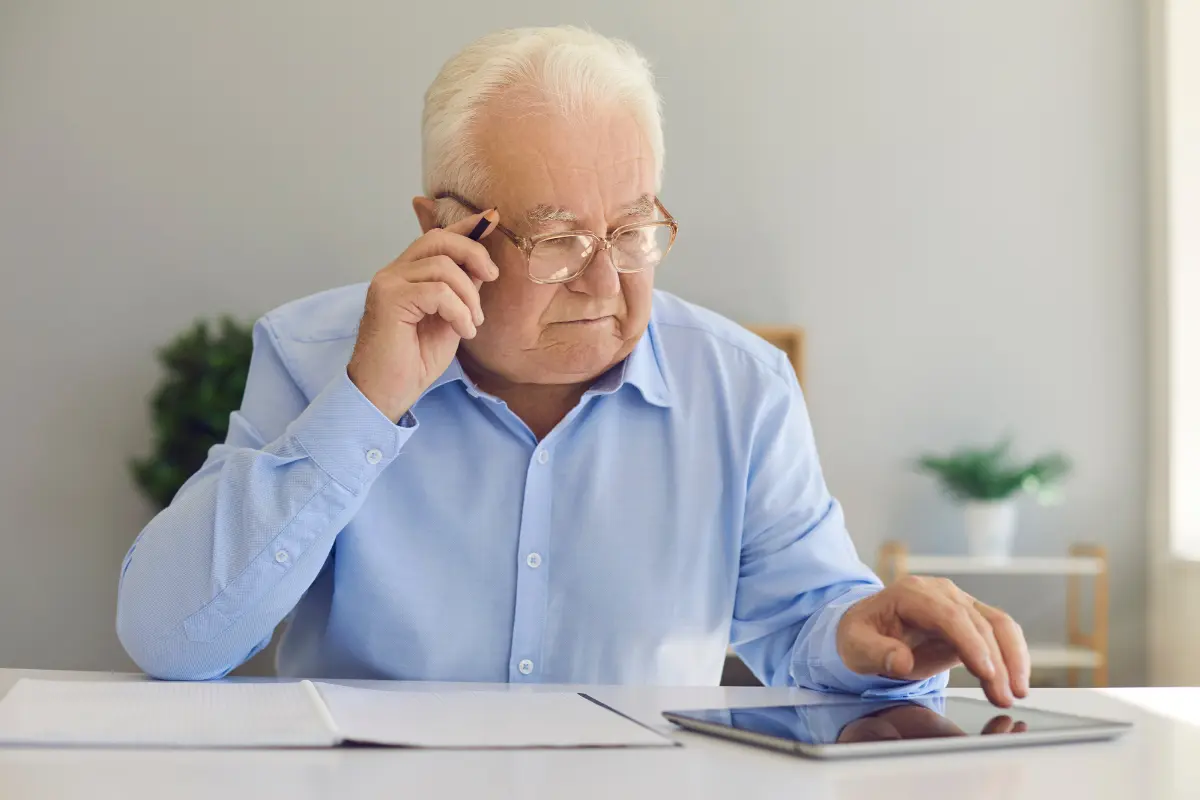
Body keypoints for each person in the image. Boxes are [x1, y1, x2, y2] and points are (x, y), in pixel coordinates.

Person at [116, 26, 1029, 707]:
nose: (606, 276)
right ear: (444, 227)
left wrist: (857, 638)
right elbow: (171, 640)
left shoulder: (742, 387)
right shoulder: (316, 356)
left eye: (634, 230)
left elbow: (803, 624)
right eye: (557, 237)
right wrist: (366, 403)